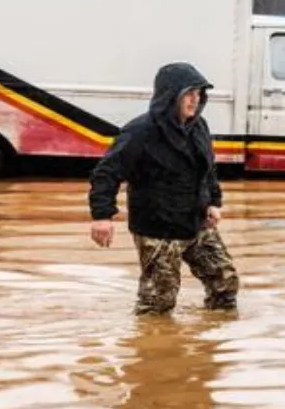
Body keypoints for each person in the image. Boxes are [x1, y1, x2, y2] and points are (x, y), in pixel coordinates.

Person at [87, 61, 240, 315]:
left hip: (196, 222)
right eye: (189, 93)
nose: (195, 99)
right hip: (158, 229)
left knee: (225, 283)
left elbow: (208, 169)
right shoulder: (140, 132)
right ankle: (152, 348)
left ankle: (211, 344)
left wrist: (213, 202)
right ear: (171, 96)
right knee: (158, 303)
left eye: (199, 94)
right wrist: (102, 216)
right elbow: (106, 173)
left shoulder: (198, 127)